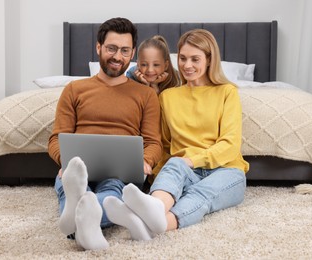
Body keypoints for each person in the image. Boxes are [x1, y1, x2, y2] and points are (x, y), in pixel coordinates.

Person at [103, 29, 249, 239]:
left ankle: (148, 223)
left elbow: (230, 144)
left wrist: (191, 160)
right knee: (174, 163)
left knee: (198, 194)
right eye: (182, 58)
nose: (187, 65)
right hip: (183, 168)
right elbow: (163, 146)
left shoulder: (227, 92)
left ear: (209, 60)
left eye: (195, 59)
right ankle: (153, 211)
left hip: (226, 170)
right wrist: (158, 180)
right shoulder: (168, 96)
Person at [48, 17, 162, 250]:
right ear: (98, 47)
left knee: (112, 191)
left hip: (119, 172)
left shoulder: (146, 95)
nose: (117, 57)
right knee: (71, 183)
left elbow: (153, 143)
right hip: (77, 170)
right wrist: (66, 161)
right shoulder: (74, 90)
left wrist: (145, 161)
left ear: (132, 54)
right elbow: (56, 138)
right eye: (111, 48)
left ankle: (74, 221)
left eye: (124, 50)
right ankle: (79, 209)